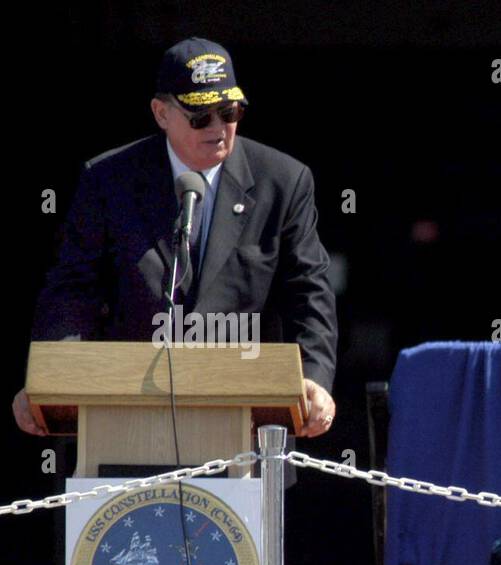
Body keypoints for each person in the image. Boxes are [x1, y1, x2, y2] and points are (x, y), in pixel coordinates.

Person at [14, 37, 337, 438]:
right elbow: (73, 288)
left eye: (230, 111)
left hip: (246, 415)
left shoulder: (284, 181)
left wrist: (315, 376)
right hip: (128, 415)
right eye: (201, 116)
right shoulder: (108, 180)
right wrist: (53, 376)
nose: (219, 127)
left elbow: (308, 288)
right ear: (161, 113)